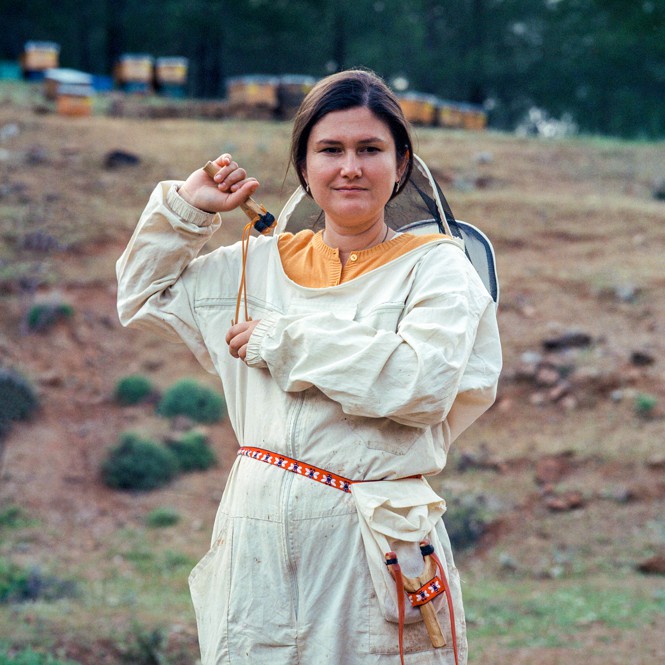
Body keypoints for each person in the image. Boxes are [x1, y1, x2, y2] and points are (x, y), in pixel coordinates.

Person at [116, 69, 502, 665]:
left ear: (401, 165)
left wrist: (284, 340)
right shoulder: (255, 263)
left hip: (374, 547)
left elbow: (419, 385)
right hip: (255, 542)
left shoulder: (439, 269)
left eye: (369, 150)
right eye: (330, 150)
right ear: (304, 166)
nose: (350, 166)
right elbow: (142, 295)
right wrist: (187, 210)